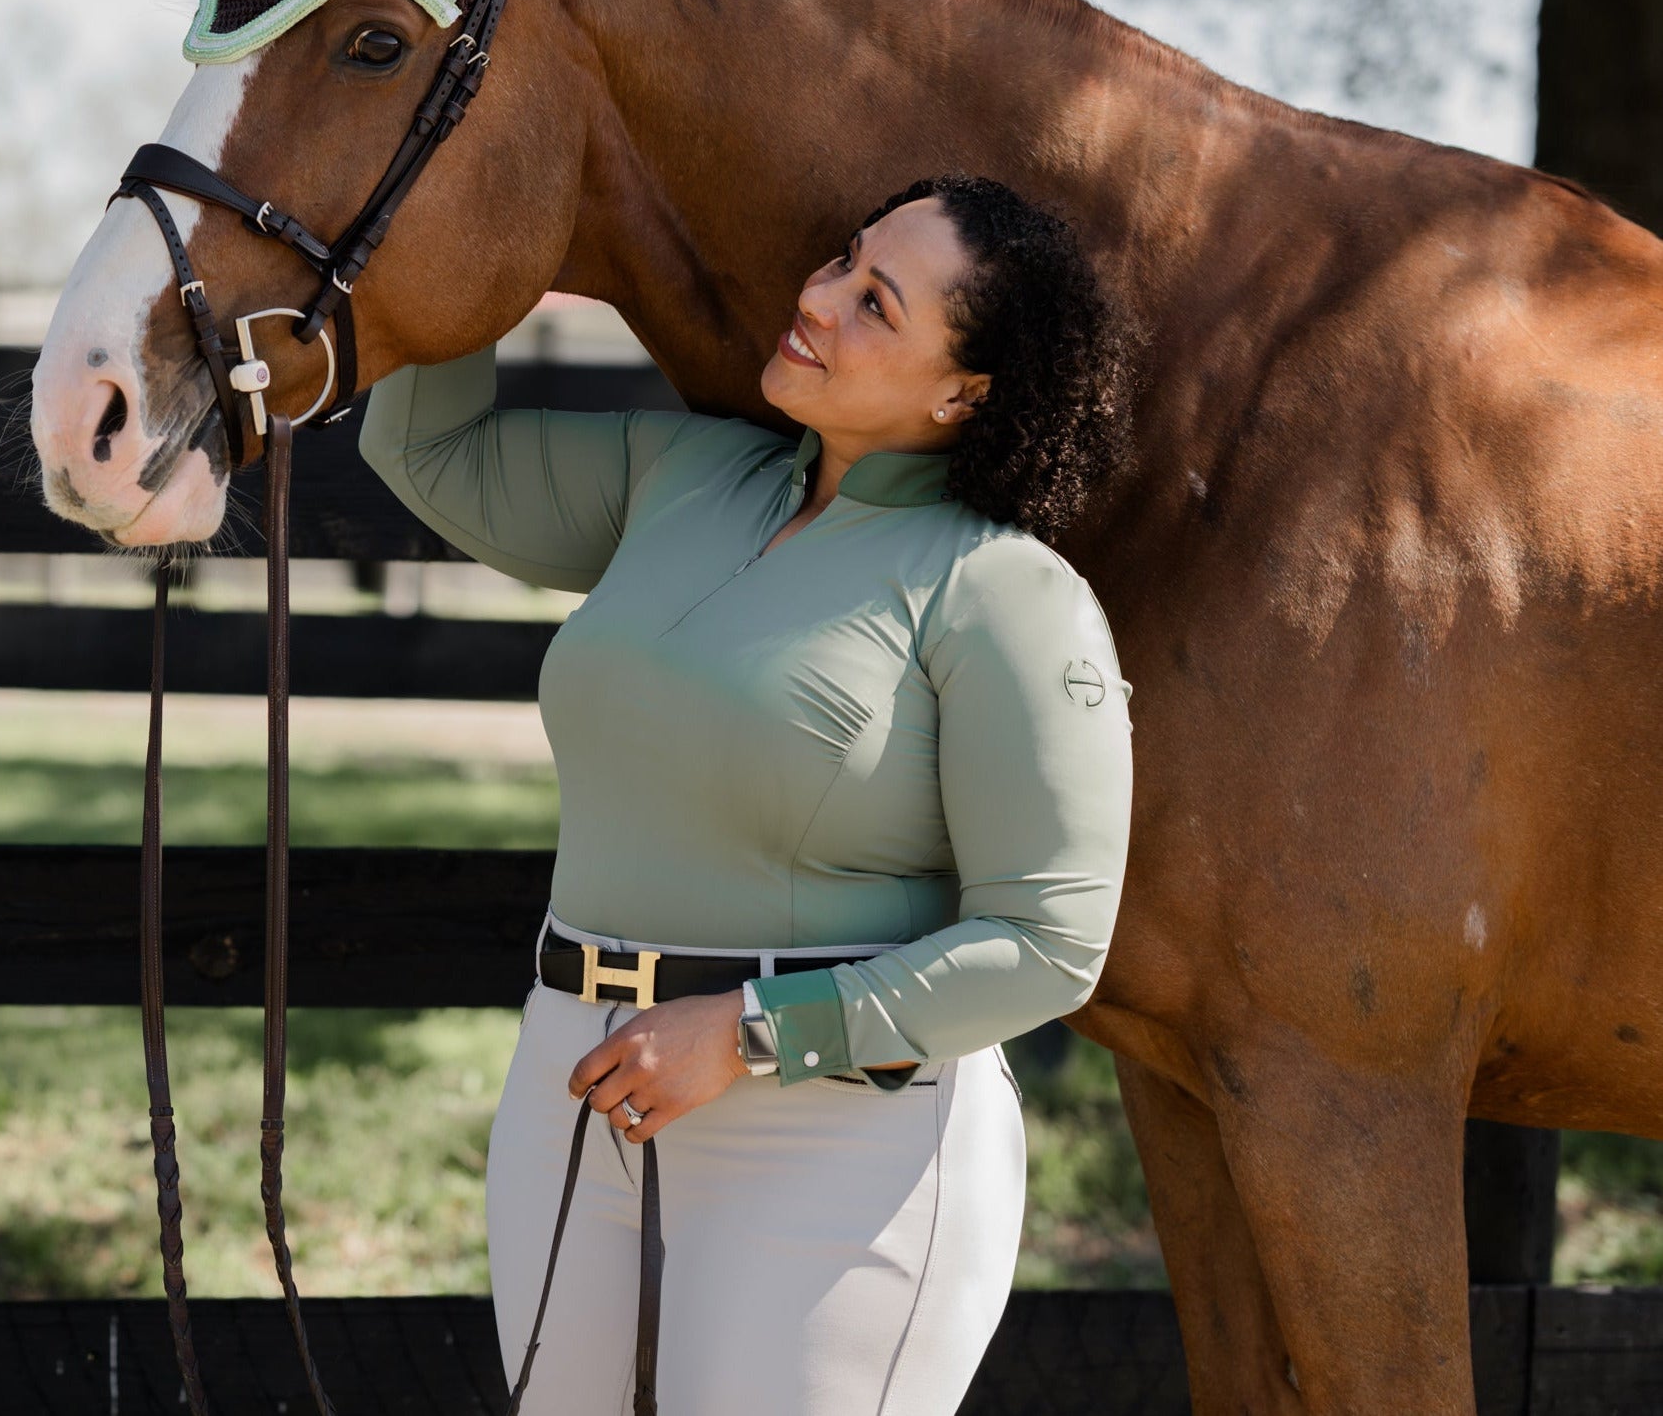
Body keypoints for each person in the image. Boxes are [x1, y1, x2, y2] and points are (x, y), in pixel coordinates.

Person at [359, 173, 1138, 1416]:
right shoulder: (684, 475)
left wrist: (744, 1032)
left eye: (875, 301)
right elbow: (421, 443)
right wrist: (480, 241)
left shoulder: (1004, 592)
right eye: (839, 259)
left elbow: (1047, 948)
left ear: (964, 390)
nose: (818, 298)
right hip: (573, 1082)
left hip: (836, 1141)